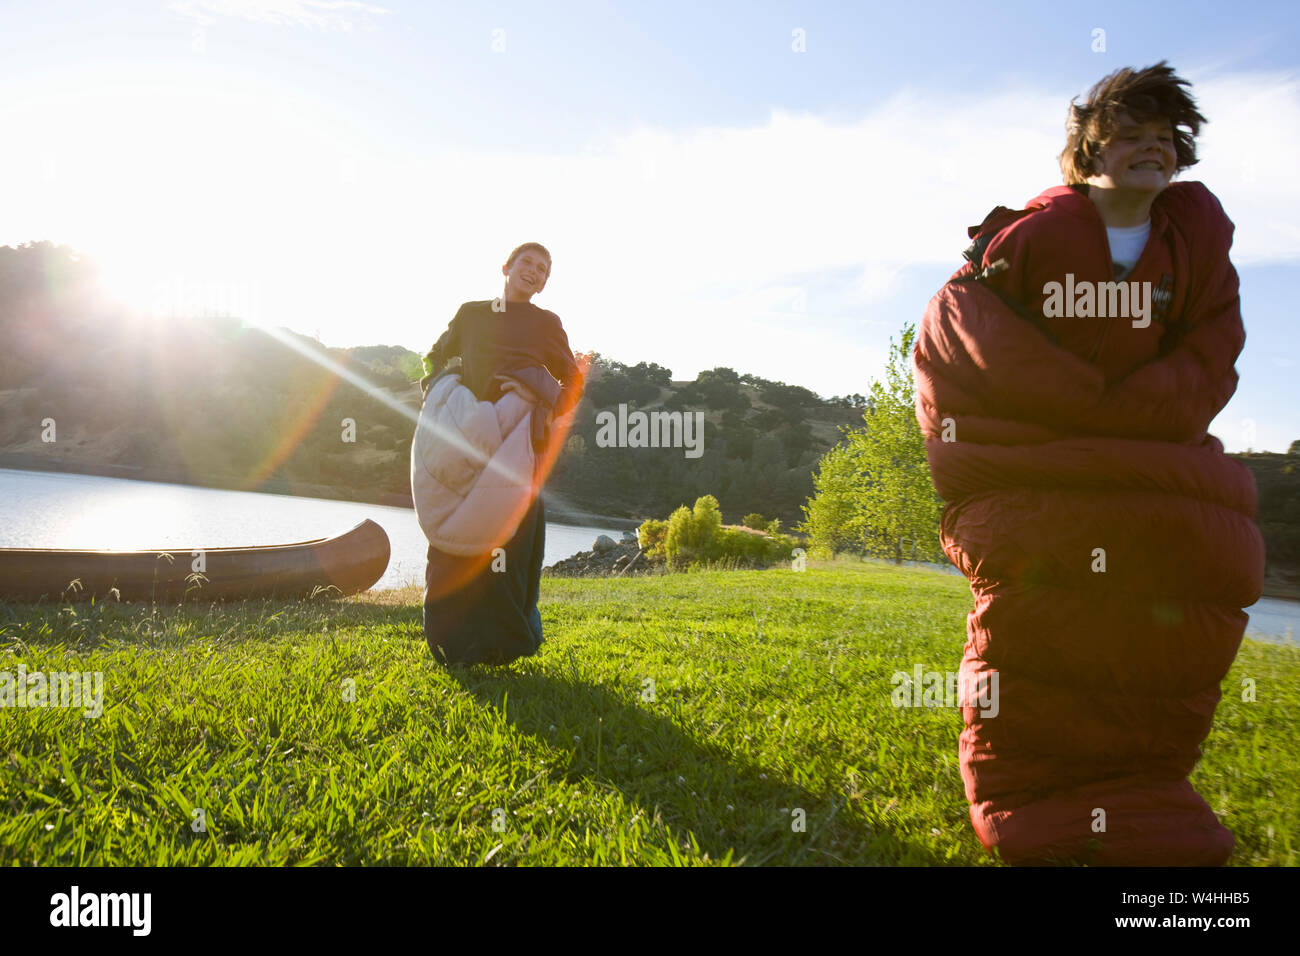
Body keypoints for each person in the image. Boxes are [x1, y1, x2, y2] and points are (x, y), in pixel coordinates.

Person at [912, 63, 1264, 865]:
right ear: (1088, 151)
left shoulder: (1196, 245)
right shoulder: (1033, 236)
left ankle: (1138, 786)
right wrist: (1085, 410)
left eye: (1164, 137)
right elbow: (966, 339)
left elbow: (1213, 354)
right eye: (1129, 134)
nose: (1151, 148)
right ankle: (1035, 793)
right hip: (1033, 456)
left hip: (1147, 448)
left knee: (1213, 543)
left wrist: (1128, 418)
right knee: (1049, 568)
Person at [412, 242, 584, 666]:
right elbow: (433, 358)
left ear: (544, 284)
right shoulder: (472, 313)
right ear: (506, 267)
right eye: (527, 262)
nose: (534, 271)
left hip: (518, 445)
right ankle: (451, 643)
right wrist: (444, 390)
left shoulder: (547, 323)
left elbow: (572, 385)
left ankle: (500, 645)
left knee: (510, 542)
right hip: (466, 439)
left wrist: (536, 392)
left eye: (543, 269)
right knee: (457, 536)